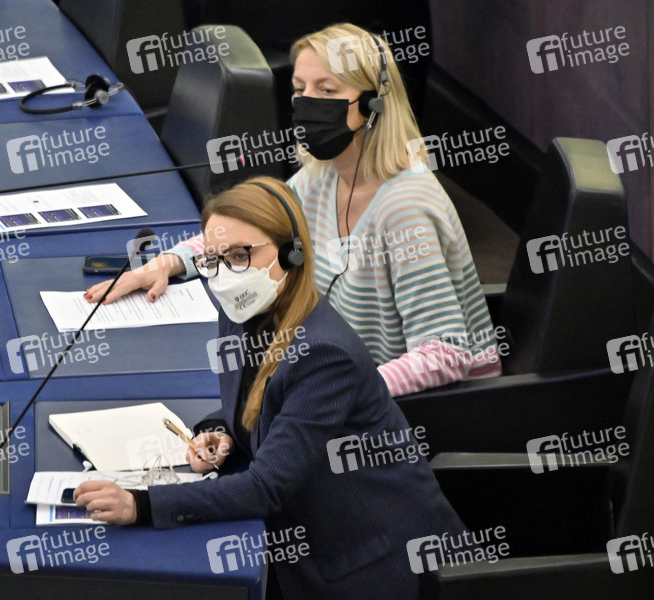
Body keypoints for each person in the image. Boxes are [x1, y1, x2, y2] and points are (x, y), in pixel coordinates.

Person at [75, 177, 466, 599]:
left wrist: (140, 505)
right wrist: (222, 433)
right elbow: (259, 405)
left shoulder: (324, 354)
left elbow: (266, 487)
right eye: (214, 259)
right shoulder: (242, 310)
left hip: (378, 568)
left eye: (241, 255)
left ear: (291, 252)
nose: (226, 274)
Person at [86, 23, 501, 397]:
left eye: (327, 90)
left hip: (416, 409)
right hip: (336, 370)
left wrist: (337, 393)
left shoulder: (406, 207)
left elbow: (446, 354)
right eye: (300, 89)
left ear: (373, 104)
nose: (308, 103)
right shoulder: (324, 173)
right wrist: (166, 264)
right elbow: (247, 233)